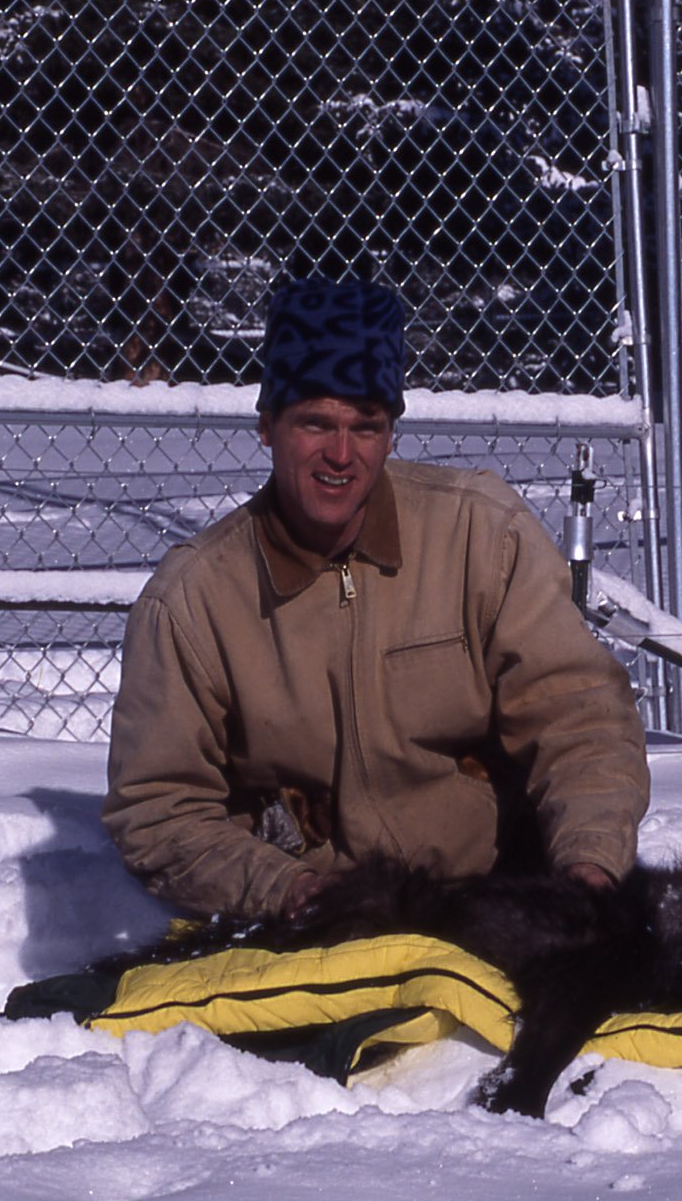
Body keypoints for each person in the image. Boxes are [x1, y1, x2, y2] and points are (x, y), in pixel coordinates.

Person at [105, 277, 649, 918]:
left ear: (392, 433)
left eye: (365, 427)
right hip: (319, 920)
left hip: (504, 896)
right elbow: (158, 807)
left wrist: (586, 867)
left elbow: (580, 717)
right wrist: (287, 889)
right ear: (267, 427)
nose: (340, 455)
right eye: (315, 423)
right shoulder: (194, 600)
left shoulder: (481, 535)